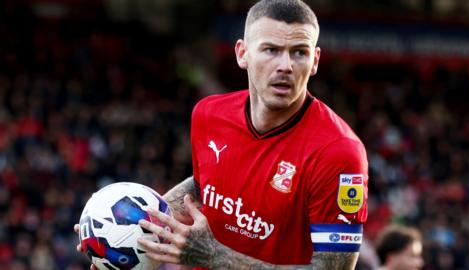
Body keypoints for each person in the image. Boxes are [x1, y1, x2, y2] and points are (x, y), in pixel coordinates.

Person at [75, 0, 369, 268]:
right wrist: (126, 228)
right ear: (242, 54)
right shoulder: (208, 114)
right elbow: (206, 185)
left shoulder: (339, 152)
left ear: (315, 60)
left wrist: (215, 256)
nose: (286, 66)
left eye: (299, 53)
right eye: (271, 50)